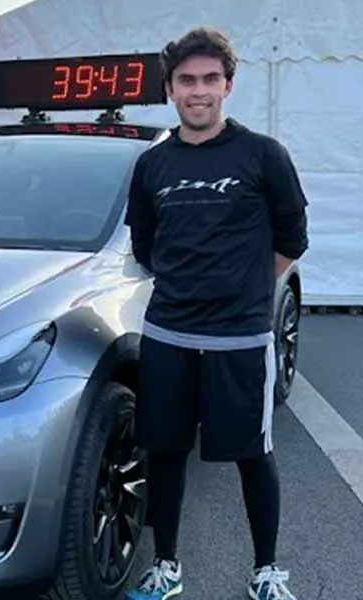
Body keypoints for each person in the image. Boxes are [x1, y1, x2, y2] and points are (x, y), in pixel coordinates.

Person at [123, 28, 308, 600]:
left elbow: (292, 238)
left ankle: (266, 573)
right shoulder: (152, 165)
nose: (198, 91)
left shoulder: (263, 156)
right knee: (165, 453)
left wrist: (244, 290)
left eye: (209, 79)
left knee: (254, 456)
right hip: (167, 336)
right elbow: (145, 246)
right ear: (170, 89)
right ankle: (167, 567)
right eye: (186, 80)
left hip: (240, 340)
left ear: (228, 85)